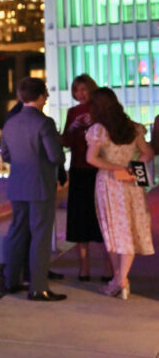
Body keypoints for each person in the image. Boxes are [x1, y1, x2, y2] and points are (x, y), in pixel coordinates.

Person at [1, 77, 67, 301]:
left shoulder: (10, 123)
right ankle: (38, 287)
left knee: (17, 232)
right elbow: (55, 156)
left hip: (17, 184)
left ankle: (11, 280)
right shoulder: (44, 123)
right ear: (40, 96)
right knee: (40, 235)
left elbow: (6, 155)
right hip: (40, 185)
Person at [85, 87, 154, 299]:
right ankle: (120, 279)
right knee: (128, 228)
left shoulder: (99, 130)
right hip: (131, 183)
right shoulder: (133, 127)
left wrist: (115, 167)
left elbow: (91, 158)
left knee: (114, 231)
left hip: (109, 183)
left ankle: (120, 280)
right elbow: (147, 152)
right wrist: (132, 167)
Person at [61, 74, 112, 281]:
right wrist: (73, 128)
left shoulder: (102, 110)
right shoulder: (72, 112)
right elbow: (65, 141)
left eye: (83, 89)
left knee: (100, 217)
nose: (80, 94)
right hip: (78, 167)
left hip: (98, 167)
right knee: (79, 217)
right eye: (76, 90)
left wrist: (96, 124)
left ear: (91, 90)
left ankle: (108, 267)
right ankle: (84, 267)